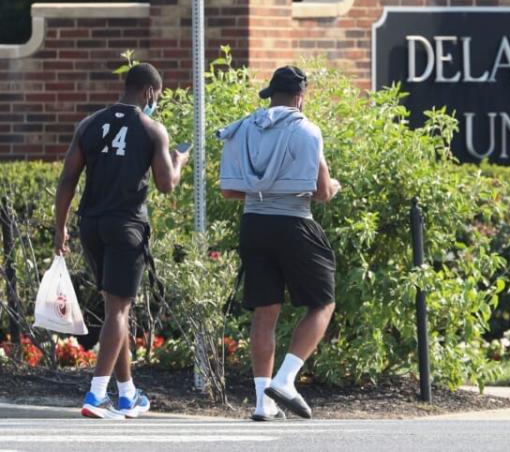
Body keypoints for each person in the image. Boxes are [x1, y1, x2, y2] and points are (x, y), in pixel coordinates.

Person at [54, 63, 190, 419]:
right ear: (148, 92)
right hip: (127, 226)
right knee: (118, 309)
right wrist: (179, 161)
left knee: (116, 308)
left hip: (92, 225)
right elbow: (166, 184)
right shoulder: (152, 129)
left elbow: (67, 179)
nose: (154, 102)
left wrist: (60, 227)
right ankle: (97, 394)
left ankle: (128, 394)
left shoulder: (89, 125)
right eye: (155, 97)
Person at [217, 66, 340, 421]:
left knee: (265, 311)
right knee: (322, 303)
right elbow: (321, 193)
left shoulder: (243, 128)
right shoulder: (307, 131)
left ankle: (262, 402)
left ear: (272, 94)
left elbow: (228, 190)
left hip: (253, 223)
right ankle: (285, 380)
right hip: (294, 222)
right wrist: (332, 187)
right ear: (300, 97)